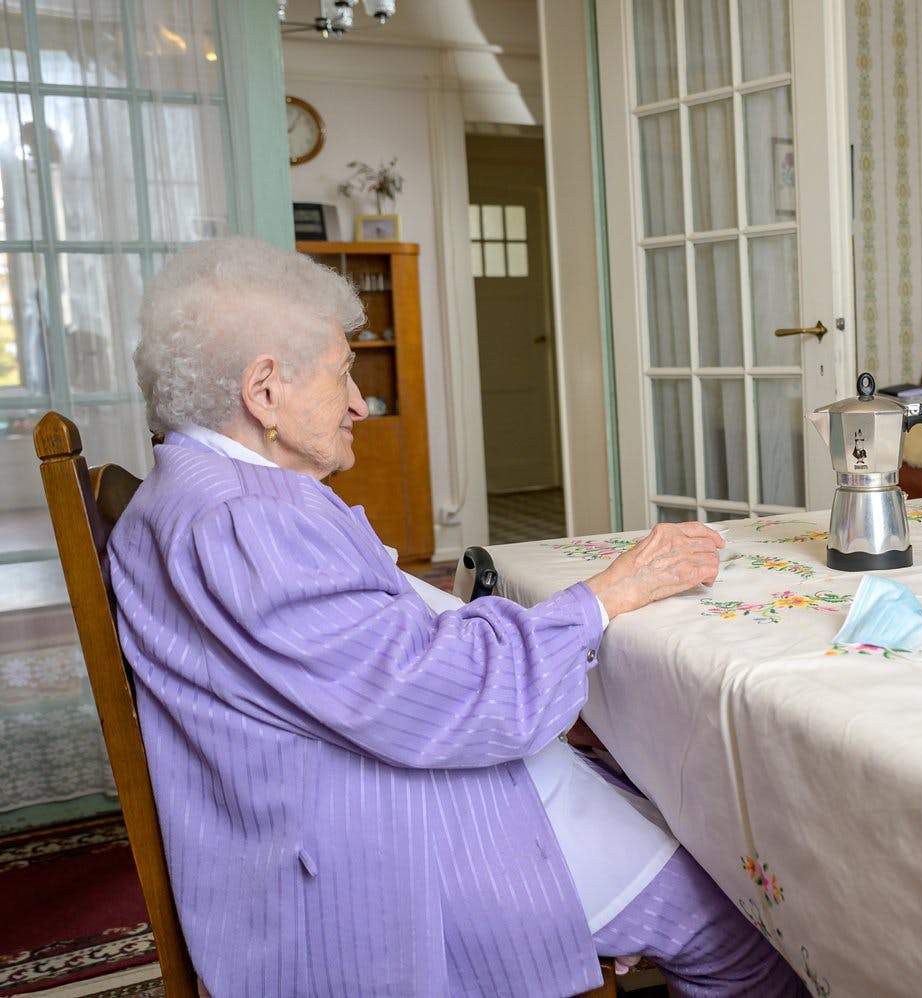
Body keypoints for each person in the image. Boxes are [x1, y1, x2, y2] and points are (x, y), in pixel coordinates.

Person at [109, 237, 804, 997]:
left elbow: (385, 645)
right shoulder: (243, 522)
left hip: (338, 793)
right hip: (368, 849)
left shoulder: (205, 488)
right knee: (739, 925)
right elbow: (442, 696)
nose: (358, 403)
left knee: (657, 796)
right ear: (264, 392)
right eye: (343, 373)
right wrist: (609, 595)